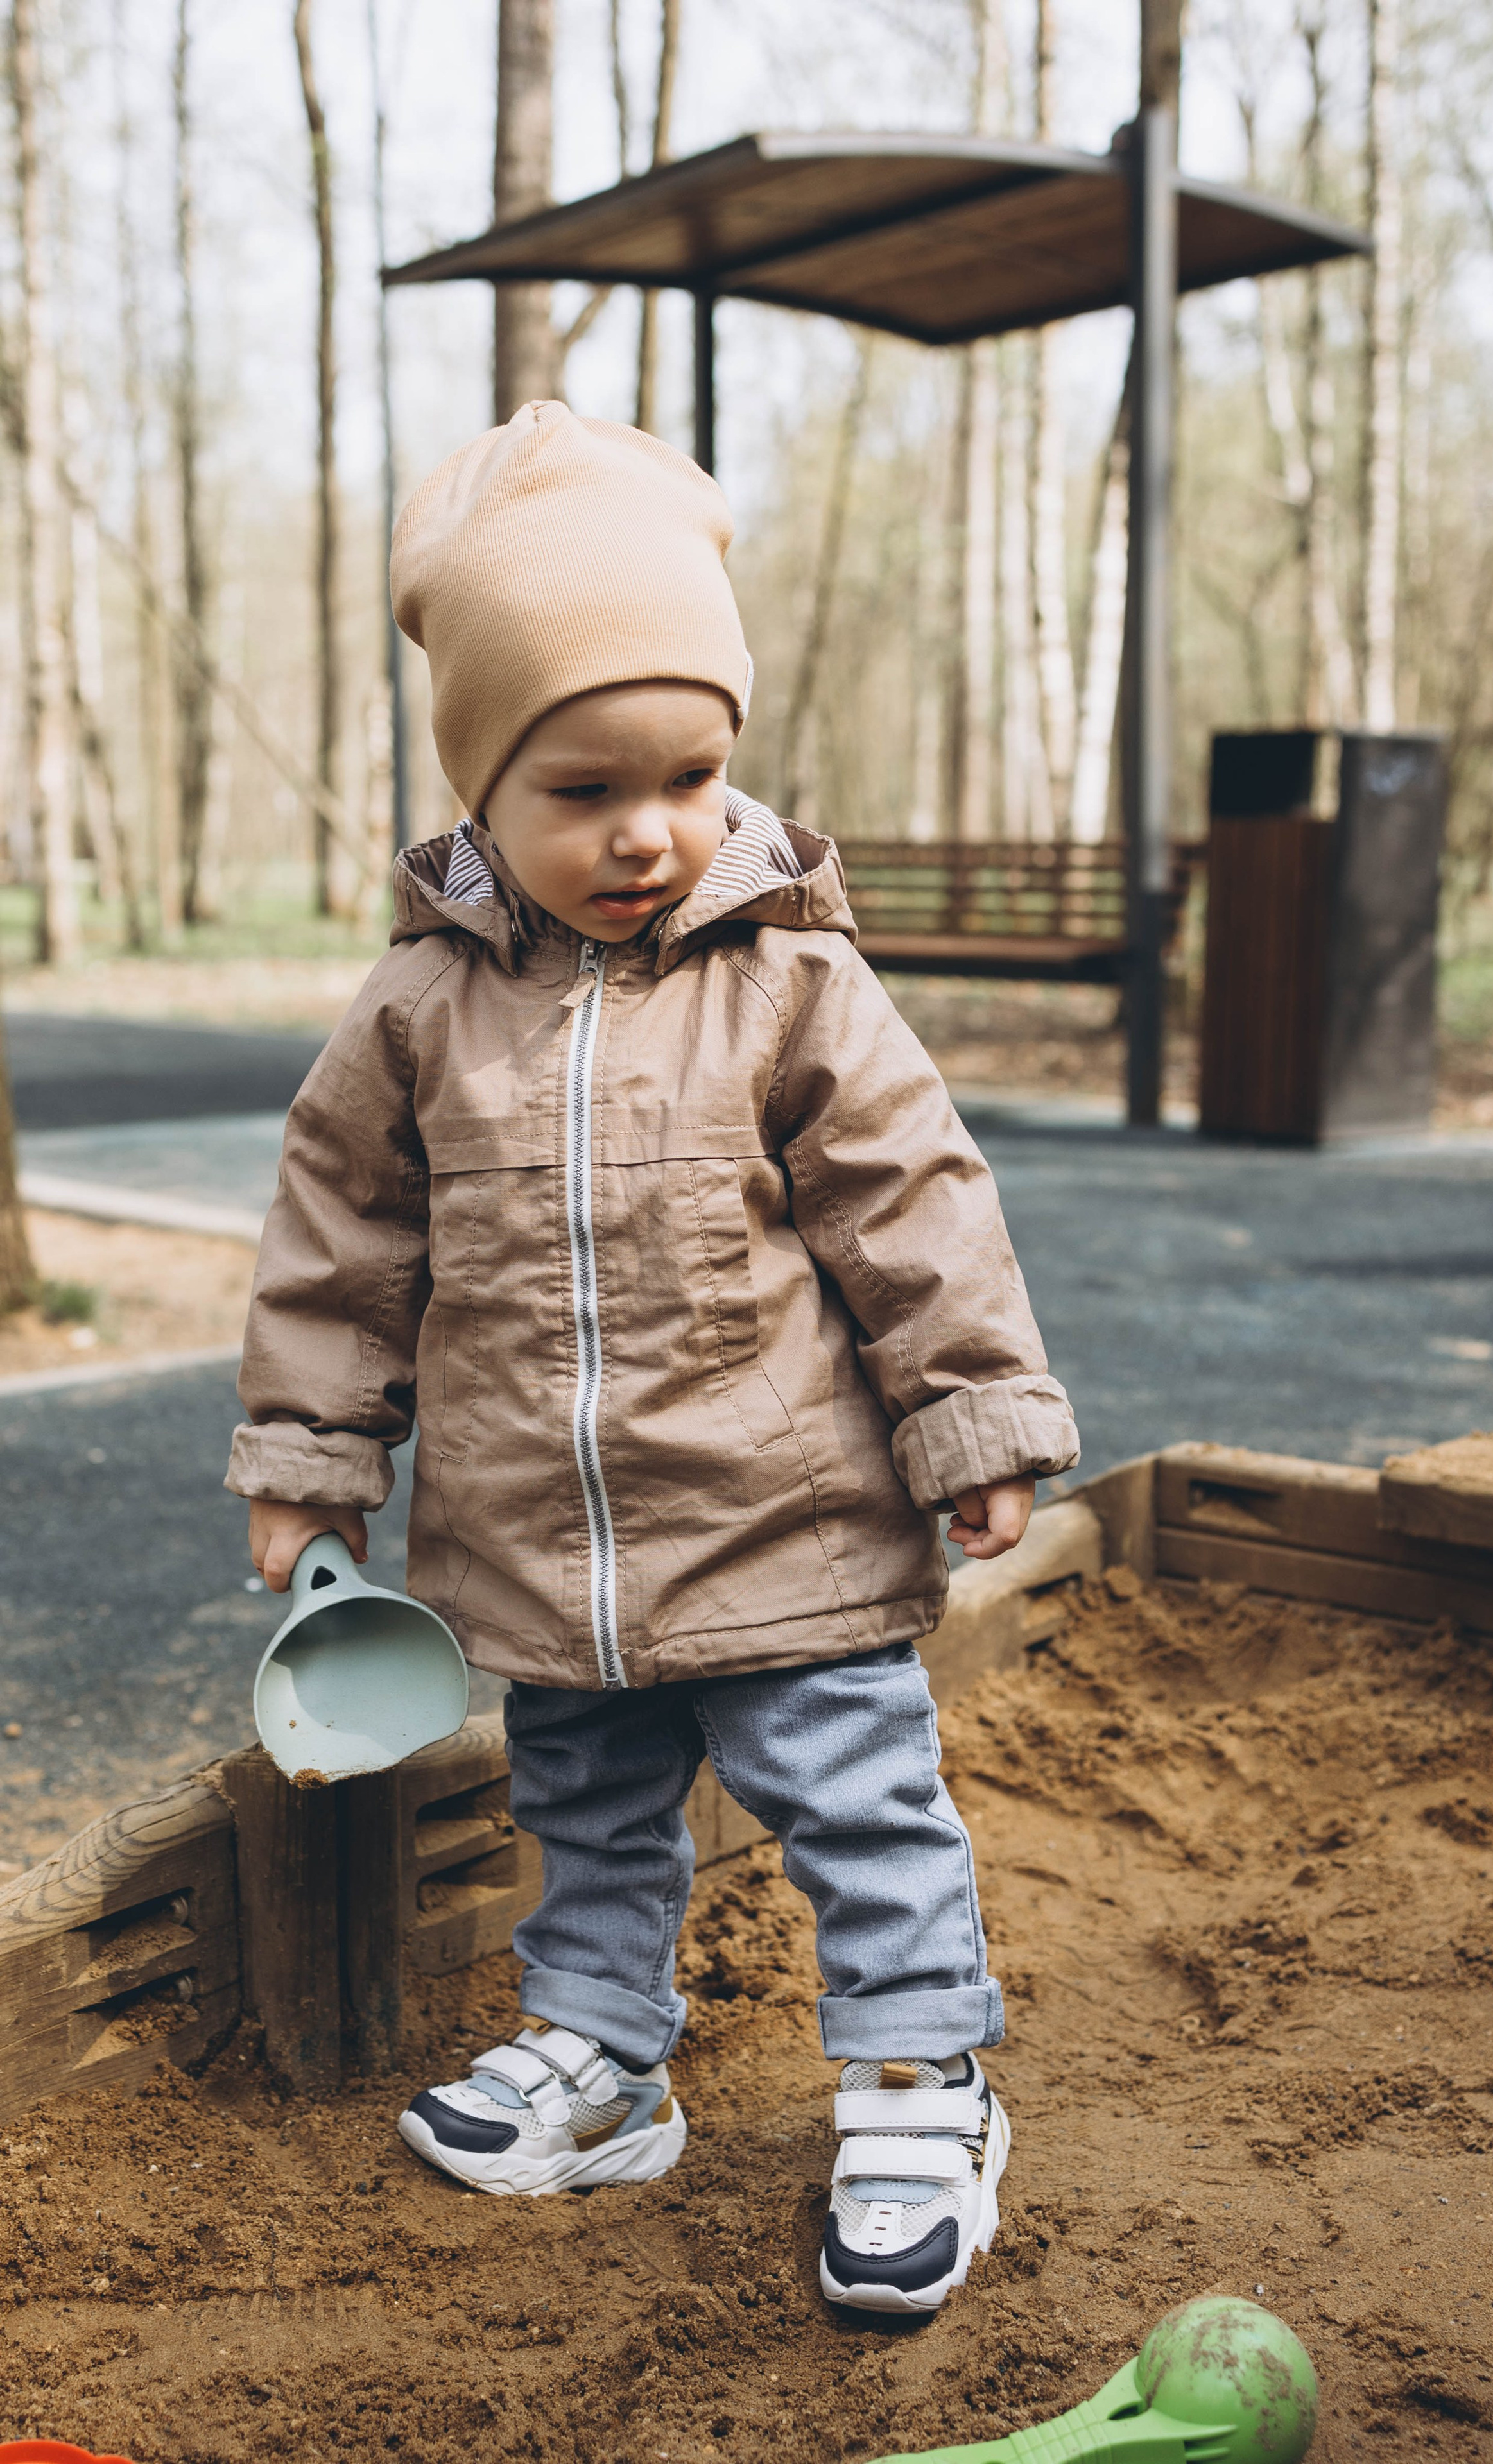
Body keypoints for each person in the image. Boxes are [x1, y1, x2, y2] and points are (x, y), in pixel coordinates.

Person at [227, 402, 1078, 2316]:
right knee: (585, 1810)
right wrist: (307, 1457)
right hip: (540, 1538)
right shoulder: (419, 1008)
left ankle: (921, 2072)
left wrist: (973, 1415)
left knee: (856, 1800)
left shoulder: (792, 980)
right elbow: (343, 1242)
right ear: (481, 797)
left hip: (788, 1521)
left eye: (692, 773)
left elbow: (914, 1207)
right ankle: (605, 2055)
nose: (649, 830)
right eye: (585, 788)